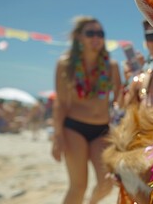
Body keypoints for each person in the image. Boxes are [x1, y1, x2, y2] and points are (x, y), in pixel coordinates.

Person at [51, 16, 121, 204]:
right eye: (90, 33)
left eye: (100, 33)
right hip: (74, 128)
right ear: (79, 37)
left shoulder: (111, 66)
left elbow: (120, 100)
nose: (96, 37)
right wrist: (57, 136)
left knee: (107, 183)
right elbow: (61, 102)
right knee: (78, 186)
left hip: (102, 130)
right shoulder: (66, 64)